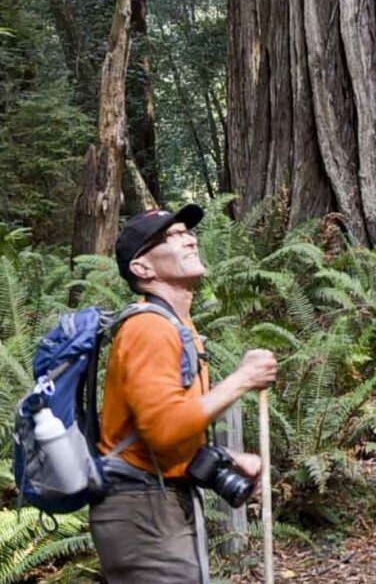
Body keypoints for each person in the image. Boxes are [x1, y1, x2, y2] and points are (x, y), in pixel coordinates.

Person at [90, 205, 278, 584]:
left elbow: (163, 427)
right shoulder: (149, 329)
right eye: (170, 237)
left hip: (155, 503)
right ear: (143, 269)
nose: (189, 239)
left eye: (186, 233)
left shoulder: (177, 327)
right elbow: (165, 428)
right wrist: (242, 378)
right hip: (142, 513)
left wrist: (226, 456)